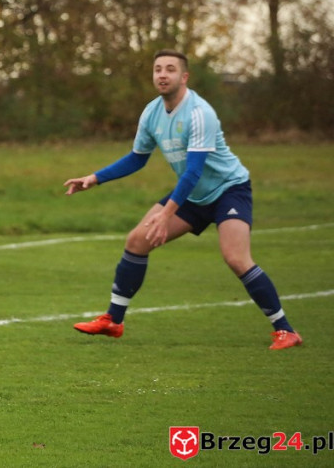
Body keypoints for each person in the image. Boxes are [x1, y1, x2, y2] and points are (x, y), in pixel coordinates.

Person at [64, 49, 302, 350]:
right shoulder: (151, 113)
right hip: (194, 194)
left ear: (184, 76)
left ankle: (286, 330)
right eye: (158, 69)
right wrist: (94, 178)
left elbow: (193, 171)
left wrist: (166, 215)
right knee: (137, 241)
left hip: (229, 189)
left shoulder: (200, 113)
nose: (163, 74)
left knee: (236, 258)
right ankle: (113, 321)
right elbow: (137, 159)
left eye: (170, 69)